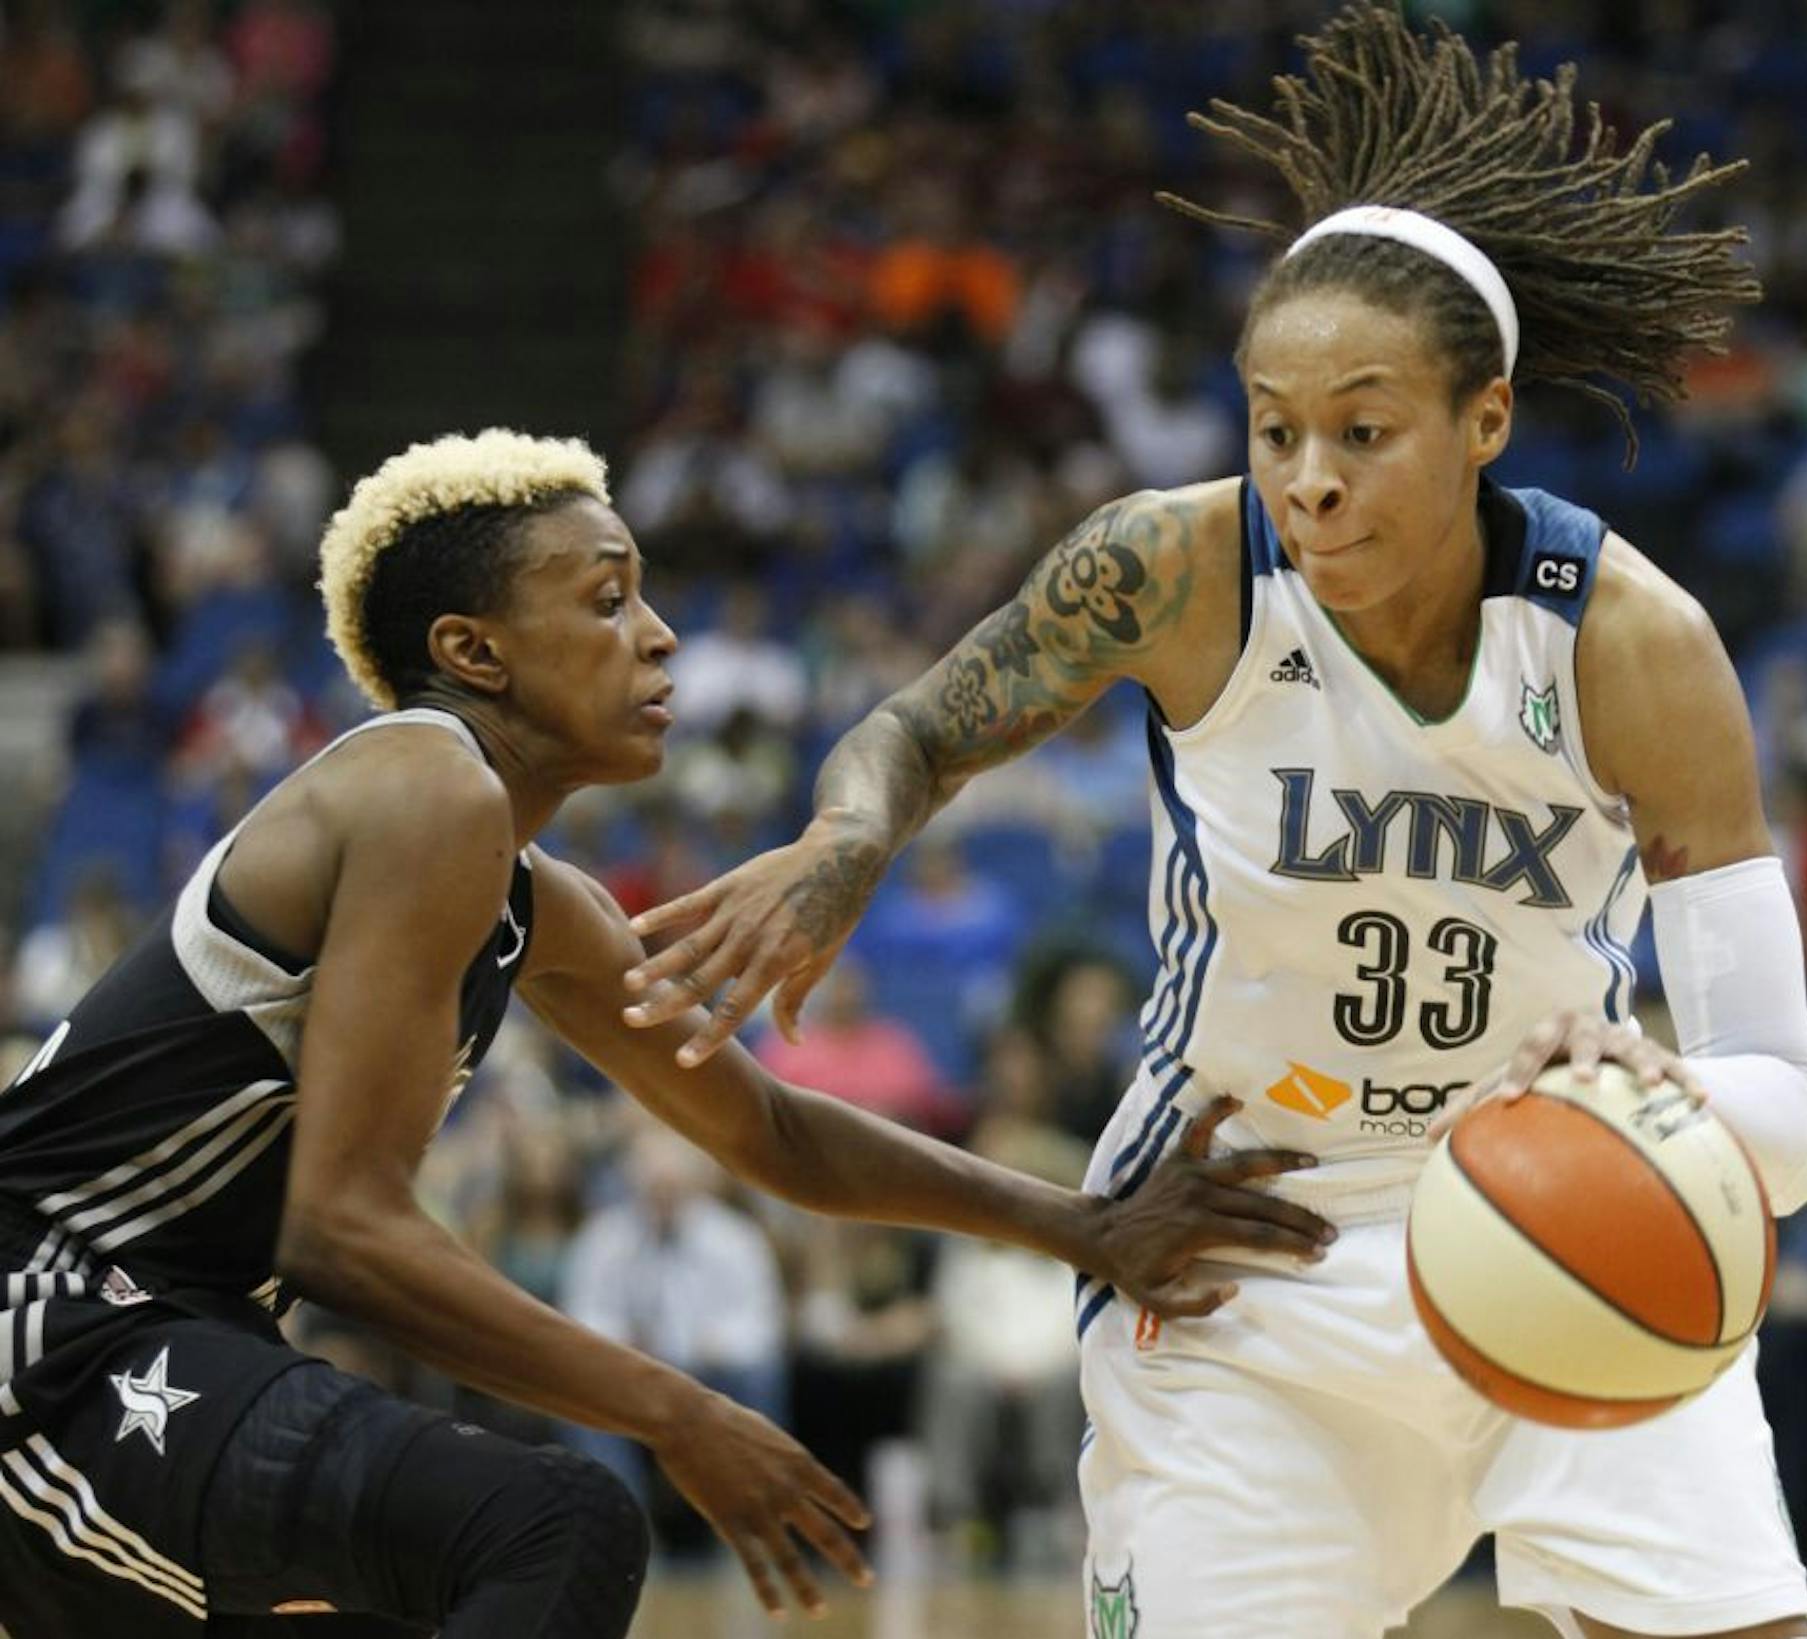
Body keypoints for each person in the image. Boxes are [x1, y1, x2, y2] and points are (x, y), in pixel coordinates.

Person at [622, 10, 1807, 1638]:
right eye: (1275, 428)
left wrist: (1670, 1103)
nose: (1309, 479)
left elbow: (1798, 1107)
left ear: (1485, 421)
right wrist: (853, 834)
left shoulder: (1631, 641)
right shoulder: (1177, 570)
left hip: (1572, 1208)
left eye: (1364, 428)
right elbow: (913, 729)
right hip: (1241, 1241)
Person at [0, 429, 1331, 1639]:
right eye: (607, 597)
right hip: (55, 1329)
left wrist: (1082, 1226)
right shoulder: (424, 784)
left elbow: (766, 1129)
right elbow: (343, 1228)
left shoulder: (529, 895)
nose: (661, 636)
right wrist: (678, 1411)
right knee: (549, 1527)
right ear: (475, 653)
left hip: (165, 1341)